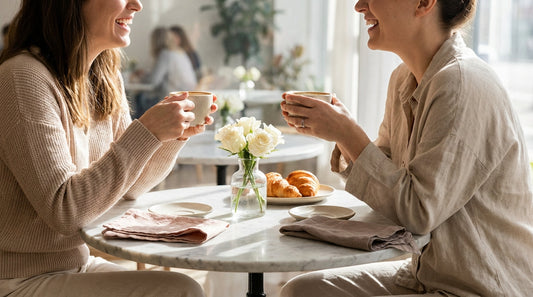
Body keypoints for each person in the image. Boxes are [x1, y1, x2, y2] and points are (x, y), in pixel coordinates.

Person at [279, 0, 533, 296]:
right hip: (426, 273)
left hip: (478, 286)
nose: (360, 6)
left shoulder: (462, 82)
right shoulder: (403, 79)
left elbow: (418, 212)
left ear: (424, 3)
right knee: (305, 289)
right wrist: (340, 132)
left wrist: (349, 134)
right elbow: (390, 180)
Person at [0, 0, 216, 296]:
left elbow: (127, 189)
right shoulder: (22, 77)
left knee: (184, 287)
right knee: (180, 291)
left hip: (77, 264)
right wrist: (147, 132)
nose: (137, 5)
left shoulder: (103, 76)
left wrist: (170, 138)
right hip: (17, 278)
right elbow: (65, 211)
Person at [134, 27, 198, 118]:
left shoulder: (165, 54)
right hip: (187, 99)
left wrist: (141, 77)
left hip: (170, 99)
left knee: (138, 98)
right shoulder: (181, 53)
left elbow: (153, 81)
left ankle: (138, 129)